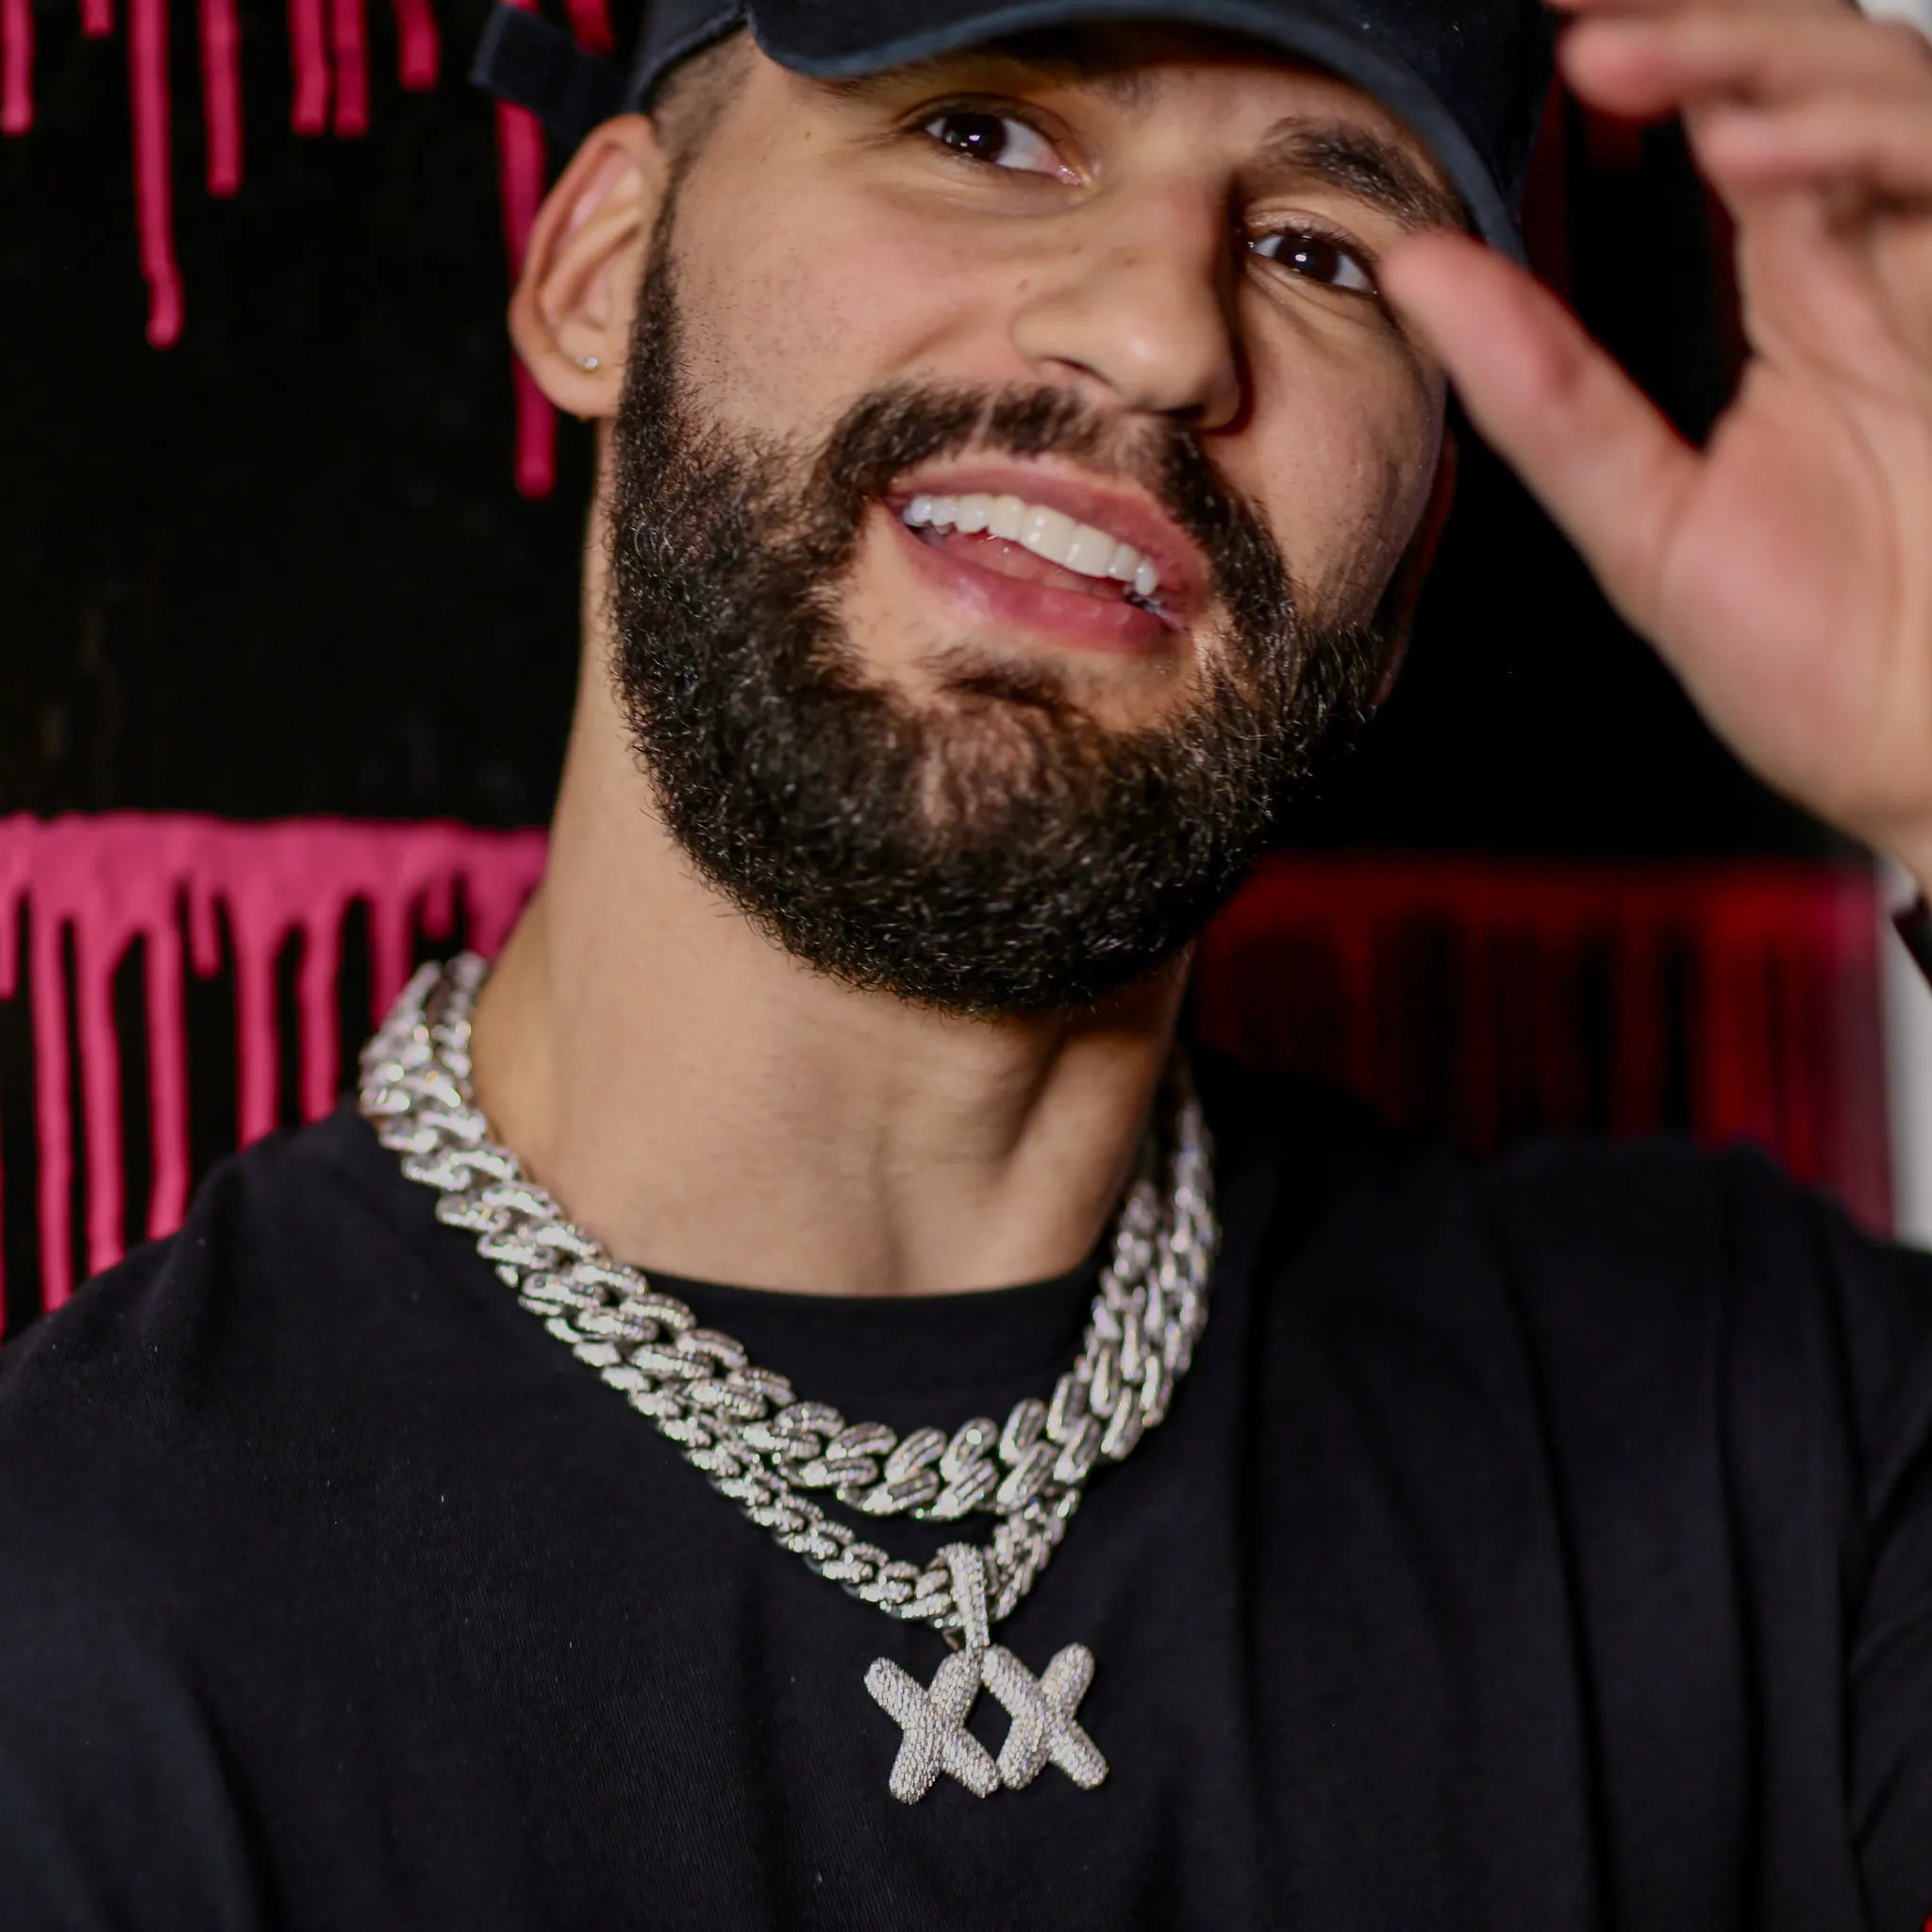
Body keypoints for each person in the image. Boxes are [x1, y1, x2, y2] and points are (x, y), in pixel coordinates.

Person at [4, 0, 1932, 1923]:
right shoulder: (76, 1628)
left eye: (1317, 250)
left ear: (1410, 558)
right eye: (987, 135)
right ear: (602, 269)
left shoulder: (1744, 1421)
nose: (1166, 333)